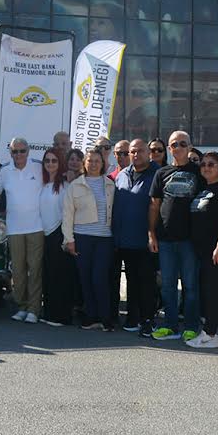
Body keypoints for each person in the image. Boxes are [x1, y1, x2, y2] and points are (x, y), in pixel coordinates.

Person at [148, 130, 204, 341]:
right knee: (168, 286)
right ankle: (170, 326)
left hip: (190, 239)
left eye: (182, 143)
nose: (178, 147)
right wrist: (151, 234)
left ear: (189, 147)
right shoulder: (161, 173)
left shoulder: (199, 172)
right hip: (165, 239)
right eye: (174, 144)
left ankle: (191, 326)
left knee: (190, 286)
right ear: (169, 148)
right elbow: (154, 206)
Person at [185, 152, 218, 348]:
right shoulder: (204, 189)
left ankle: (209, 334)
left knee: (212, 292)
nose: (207, 167)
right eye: (204, 165)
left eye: (211, 164)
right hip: (204, 250)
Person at [0, 137, 45, 323]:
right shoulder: (5, 171)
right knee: (18, 271)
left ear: (28, 151)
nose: (19, 154)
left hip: (37, 226)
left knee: (35, 269)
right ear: (10, 152)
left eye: (22, 151)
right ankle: (22, 307)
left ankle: (34, 309)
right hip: (14, 228)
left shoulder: (39, 167)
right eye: (15, 151)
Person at [63, 146, 116, 331]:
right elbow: (67, 214)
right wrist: (69, 240)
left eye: (97, 161)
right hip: (82, 238)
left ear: (102, 163)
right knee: (85, 278)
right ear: (84, 163)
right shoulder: (75, 185)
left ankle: (105, 317)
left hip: (104, 238)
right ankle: (91, 316)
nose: (93, 164)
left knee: (99, 278)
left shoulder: (110, 185)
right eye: (90, 161)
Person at [113, 139, 159, 333]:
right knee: (131, 280)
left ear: (148, 153)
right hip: (123, 240)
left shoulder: (158, 174)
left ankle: (148, 319)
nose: (135, 155)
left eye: (140, 151)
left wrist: (152, 234)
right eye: (132, 151)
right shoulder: (122, 175)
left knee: (147, 282)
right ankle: (132, 318)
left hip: (146, 240)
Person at [38, 147, 75, 326]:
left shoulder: (65, 186)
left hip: (59, 233)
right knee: (48, 275)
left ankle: (61, 316)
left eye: (54, 161)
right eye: (47, 161)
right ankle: (49, 313)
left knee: (60, 276)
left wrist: (67, 238)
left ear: (60, 163)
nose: (50, 164)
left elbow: (68, 214)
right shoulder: (43, 184)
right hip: (44, 234)